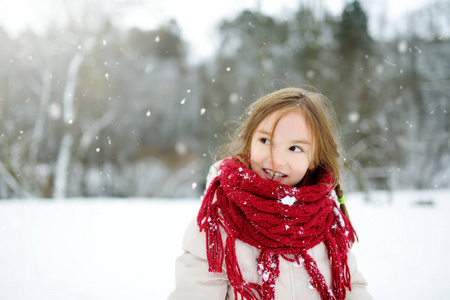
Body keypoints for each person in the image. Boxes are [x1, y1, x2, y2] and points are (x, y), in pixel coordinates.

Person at [168, 87, 372, 300]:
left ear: (313, 159)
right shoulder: (219, 217)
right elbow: (196, 291)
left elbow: (351, 287)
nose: (275, 160)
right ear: (250, 142)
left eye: (294, 148)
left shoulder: (326, 219)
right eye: (265, 141)